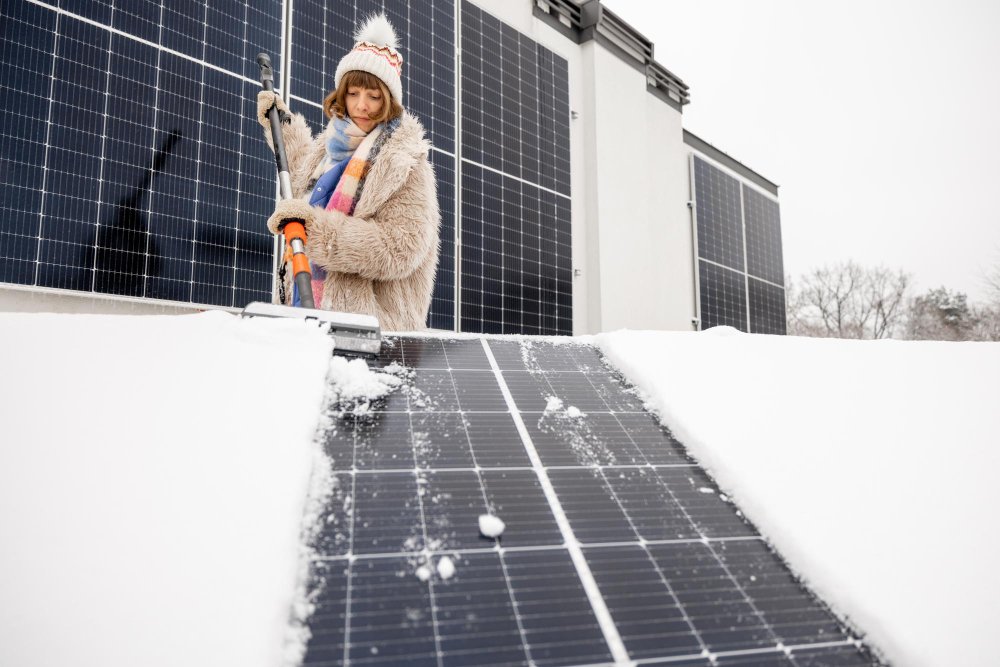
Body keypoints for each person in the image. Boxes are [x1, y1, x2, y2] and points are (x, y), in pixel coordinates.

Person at [256, 13, 440, 331]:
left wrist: (315, 230)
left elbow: (401, 247)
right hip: (305, 312)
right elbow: (302, 183)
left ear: (389, 101)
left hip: (371, 330)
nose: (361, 105)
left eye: (373, 96)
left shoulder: (405, 163)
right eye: (353, 93)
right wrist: (282, 125)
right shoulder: (330, 151)